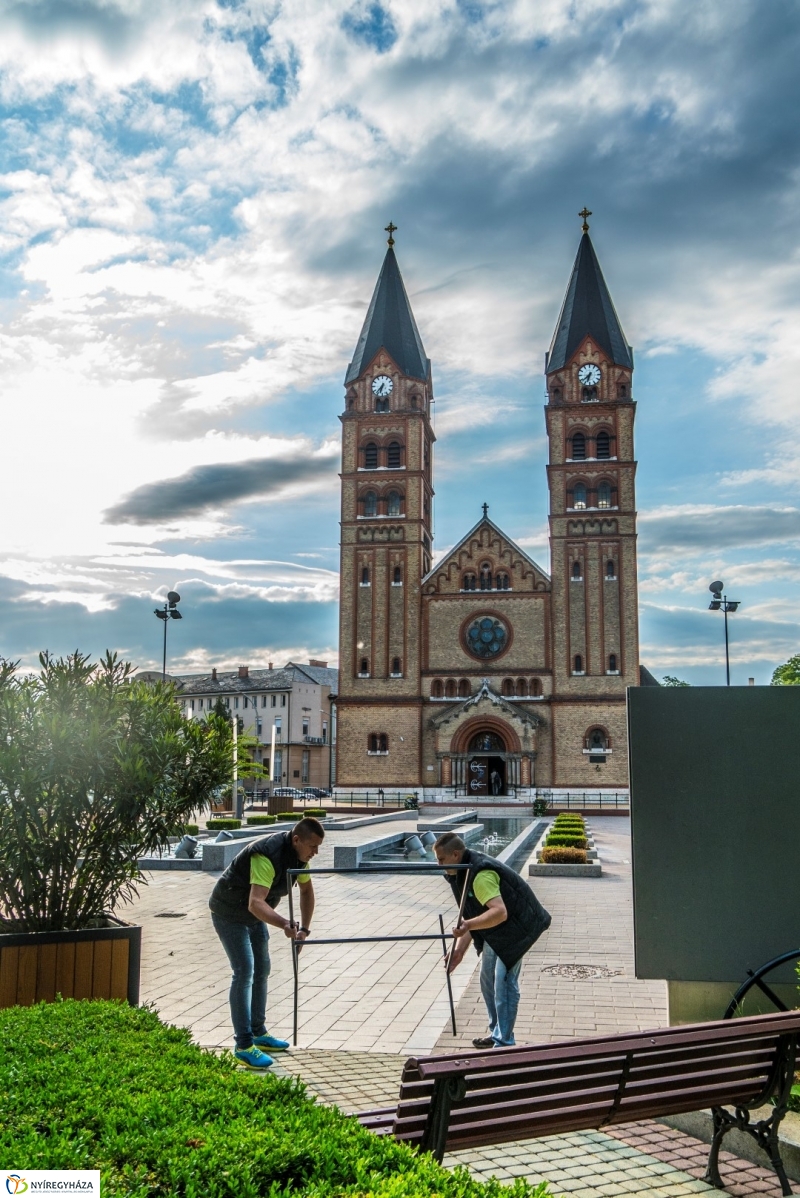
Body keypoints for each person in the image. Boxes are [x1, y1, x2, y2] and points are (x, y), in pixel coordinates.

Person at [209, 816, 324, 1069]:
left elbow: (306, 892)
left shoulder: (299, 858)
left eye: (318, 847)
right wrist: (285, 923)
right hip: (229, 911)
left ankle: (259, 1033)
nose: (316, 852)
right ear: (296, 840)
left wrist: (304, 928)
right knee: (244, 971)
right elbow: (255, 902)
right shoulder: (266, 855)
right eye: (313, 846)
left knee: (263, 968)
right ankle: (243, 1044)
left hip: (252, 914)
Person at [435, 831, 551, 1049]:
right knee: (487, 978)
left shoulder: (480, 874)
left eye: (441, 859)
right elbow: (472, 914)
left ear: (455, 854)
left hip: (518, 927)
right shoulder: (459, 872)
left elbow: (499, 912)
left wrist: (468, 925)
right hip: (497, 929)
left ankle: (504, 1040)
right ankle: (497, 1031)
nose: (438, 865)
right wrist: (459, 952)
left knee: (503, 981)